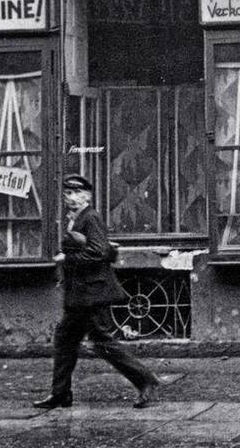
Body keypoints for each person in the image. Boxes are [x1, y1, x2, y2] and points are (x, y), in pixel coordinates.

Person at [31, 174, 160, 410]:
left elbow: (97, 253)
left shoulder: (90, 217)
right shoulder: (77, 218)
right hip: (80, 294)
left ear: (87, 196)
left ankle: (145, 380)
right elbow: (106, 251)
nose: (70, 198)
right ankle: (60, 394)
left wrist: (66, 258)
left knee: (102, 342)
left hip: (92, 294)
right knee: (65, 340)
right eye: (67, 193)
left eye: (75, 194)